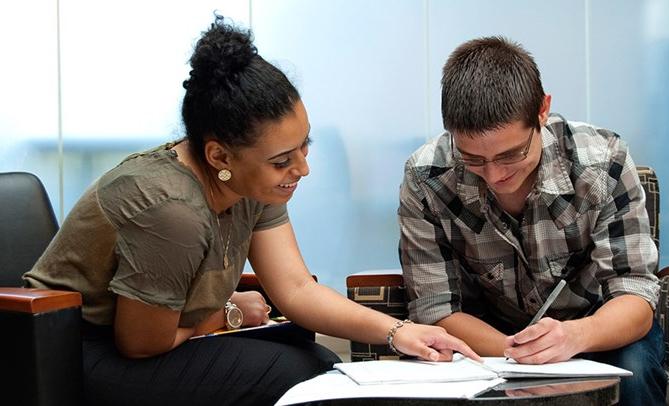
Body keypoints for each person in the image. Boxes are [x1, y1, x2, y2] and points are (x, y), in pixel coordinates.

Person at [23, 17, 478, 406]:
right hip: (76, 354)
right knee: (293, 375)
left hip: (151, 342)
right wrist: (227, 314)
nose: (302, 168)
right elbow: (141, 343)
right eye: (282, 161)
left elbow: (296, 289)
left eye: (305, 147)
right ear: (220, 156)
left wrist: (400, 332)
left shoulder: (251, 186)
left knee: (315, 360)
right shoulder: (171, 209)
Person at [397, 36, 666, 405]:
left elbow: (634, 295)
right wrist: (517, 351)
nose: (493, 175)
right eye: (473, 158)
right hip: (488, 333)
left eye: (511, 154)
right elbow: (436, 309)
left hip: (596, 326)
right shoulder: (426, 177)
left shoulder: (604, 162)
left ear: (542, 110)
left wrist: (576, 336)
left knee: (635, 368)